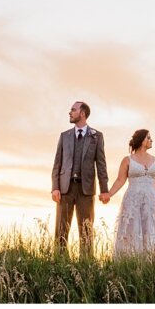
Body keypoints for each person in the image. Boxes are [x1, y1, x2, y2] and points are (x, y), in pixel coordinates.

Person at [51, 101, 109, 257]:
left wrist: (105, 190)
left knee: (86, 231)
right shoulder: (64, 136)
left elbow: (101, 165)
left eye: (73, 110)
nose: (70, 112)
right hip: (65, 189)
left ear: (82, 113)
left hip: (86, 190)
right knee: (61, 230)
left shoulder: (97, 136)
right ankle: (59, 265)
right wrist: (55, 187)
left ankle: (86, 266)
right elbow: (57, 163)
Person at [108, 129, 155, 259]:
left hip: (151, 201)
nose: (151, 140)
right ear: (141, 140)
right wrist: (109, 194)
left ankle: (153, 262)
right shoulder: (128, 160)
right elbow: (120, 180)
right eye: (148, 138)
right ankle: (131, 262)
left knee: (152, 230)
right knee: (132, 230)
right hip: (133, 201)